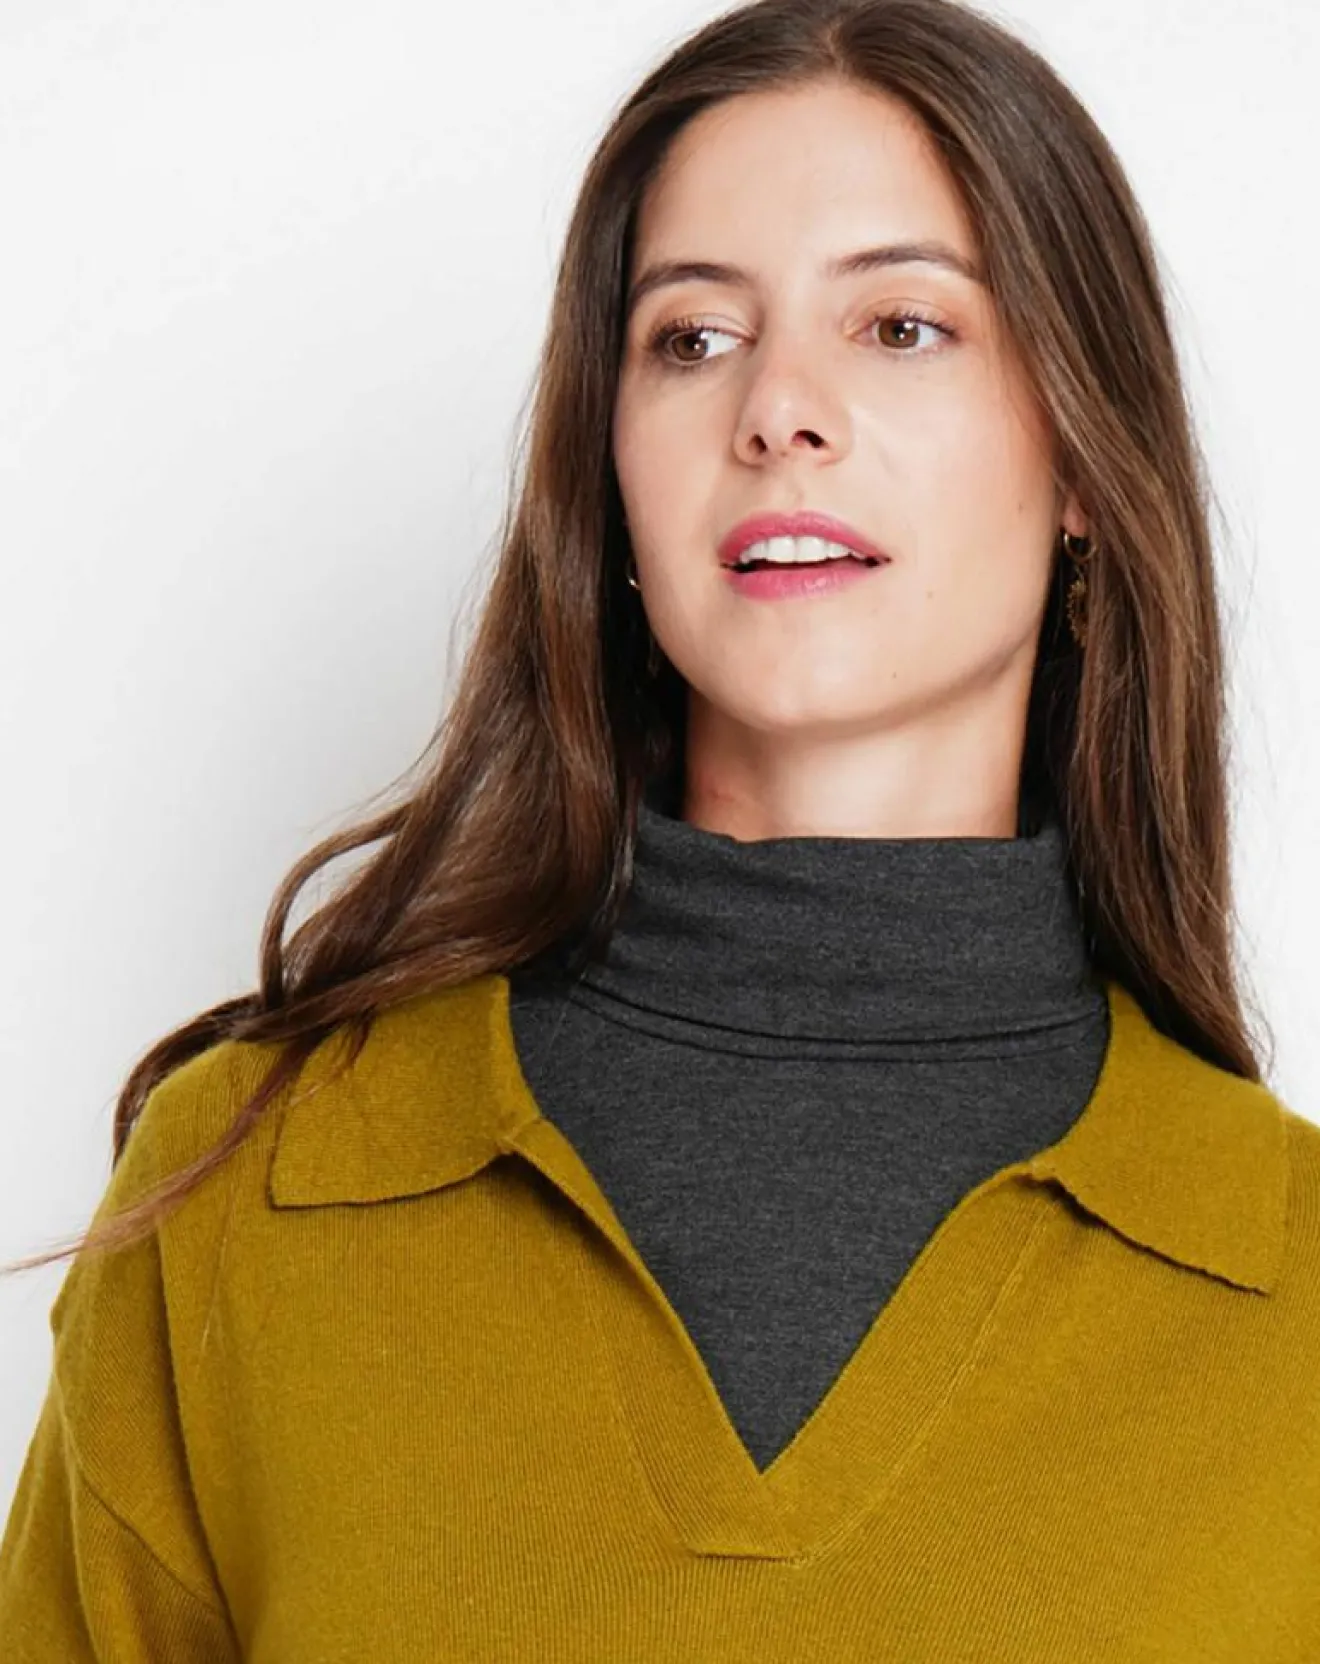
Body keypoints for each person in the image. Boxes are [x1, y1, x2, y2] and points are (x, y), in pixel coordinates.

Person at [3, 0, 1318, 1656]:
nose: (779, 409)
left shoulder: (1294, 1288)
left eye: (903, 325)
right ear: (611, 470)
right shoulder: (250, 1195)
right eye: (692, 339)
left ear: (1083, 461)